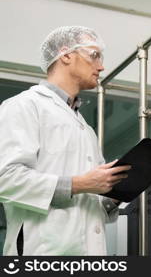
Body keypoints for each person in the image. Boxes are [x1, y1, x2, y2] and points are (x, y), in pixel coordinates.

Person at [0, 26, 131, 255]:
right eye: (94, 55)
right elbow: (6, 179)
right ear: (66, 54)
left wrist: (114, 194)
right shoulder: (25, 106)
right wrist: (79, 183)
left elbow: (89, 201)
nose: (101, 66)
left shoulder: (86, 129)